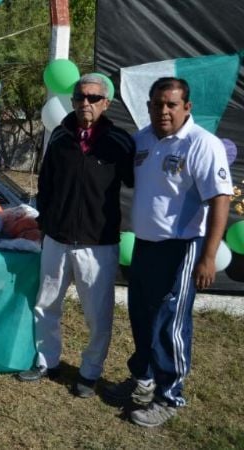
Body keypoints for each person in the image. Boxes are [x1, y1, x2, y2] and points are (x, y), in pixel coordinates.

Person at [106, 78, 232, 427]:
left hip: (181, 247)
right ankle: (143, 380)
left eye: (171, 104)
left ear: (186, 107)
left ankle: (170, 395)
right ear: (149, 106)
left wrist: (207, 256)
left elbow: (220, 198)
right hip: (145, 245)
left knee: (169, 322)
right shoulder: (142, 140)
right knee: (141, 315)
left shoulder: (202, 144)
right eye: (158, 104)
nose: (164, 110)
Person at [17, 74, 134, 398]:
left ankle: (89, 373)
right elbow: (46, 185)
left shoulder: (120, 142)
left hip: (98, 245)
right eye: (81, 96)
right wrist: (47, 224)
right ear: (73, 100)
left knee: (97, 316)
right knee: (46, 306)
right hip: (57, 239)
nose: (86, 103)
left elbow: (137, 183)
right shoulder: (58, 137)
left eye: (94, 98)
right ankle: (46, 362)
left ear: (106, 103)